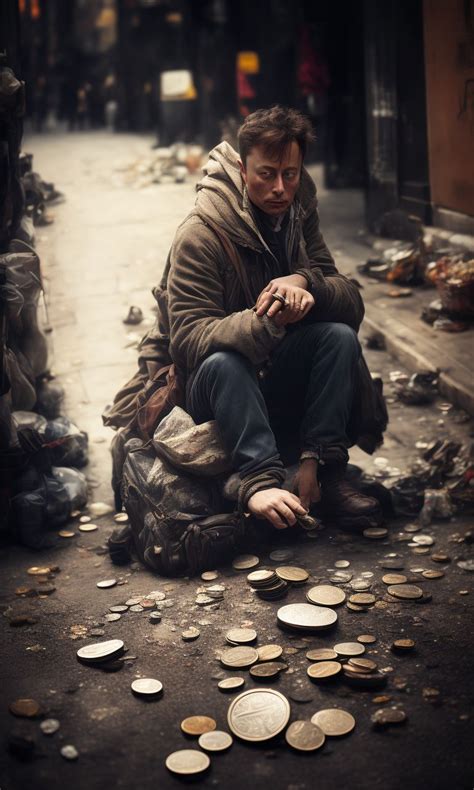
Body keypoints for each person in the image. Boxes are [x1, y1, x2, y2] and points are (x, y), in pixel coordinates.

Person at [167, 106, 385, 533]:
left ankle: (323, 471)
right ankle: (260, 481)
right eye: (266, 174)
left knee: (338, 337)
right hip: (216, 392)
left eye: (291, 173)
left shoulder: (298, 211)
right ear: (242, 168)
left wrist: (305, 282)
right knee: (224, 362)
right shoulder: (202, 233)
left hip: (275, 376)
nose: (280, 188)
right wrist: (265, 320)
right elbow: (187, 339)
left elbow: (348, 300)